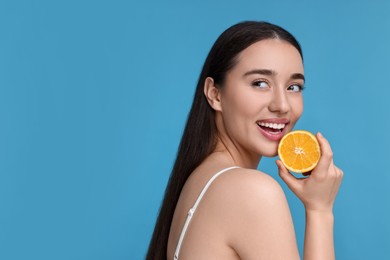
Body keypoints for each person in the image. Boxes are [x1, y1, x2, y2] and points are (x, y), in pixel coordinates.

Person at [146, 21, 343, 260]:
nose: (281, 105)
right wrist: (320, 211)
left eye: (294, 86)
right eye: (260, 83)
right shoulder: (251, 190)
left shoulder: (200, 178)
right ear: (215, 94)